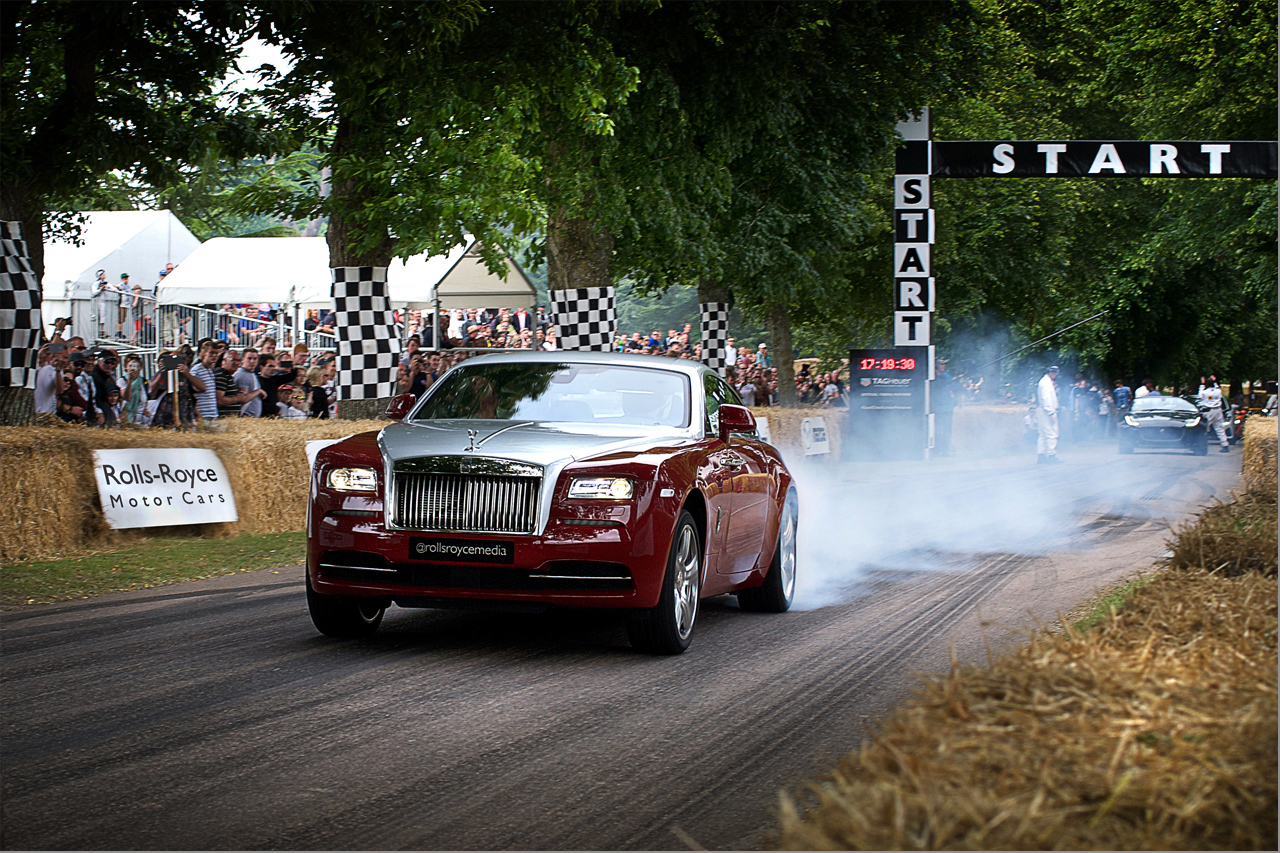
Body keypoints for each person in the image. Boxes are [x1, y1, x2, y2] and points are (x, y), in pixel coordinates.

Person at [1035, 365, 1062, 464]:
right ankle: (1051, 455)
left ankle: (1041, 455)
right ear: (1050, 372)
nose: (1055, 374)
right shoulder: (1045, 383)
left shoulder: (1046, 382)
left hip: (1043, 410)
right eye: (1053, 372)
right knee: (1052, 433)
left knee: (1043, 434)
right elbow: (1046, 399)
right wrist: (1051, 413)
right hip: (1046, 411)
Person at [932, 358, 957, 456]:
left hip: (948, 407)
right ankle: (937, 449)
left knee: (947, 430)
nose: (943, 366)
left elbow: (953, 387)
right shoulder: (932, 377)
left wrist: (957, 381)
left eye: (943, 364)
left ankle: (945, 450)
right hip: (936, 408)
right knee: (937, 430)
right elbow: (936, 386)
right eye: (941, 364)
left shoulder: (947, 376)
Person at [1198, 377, 1230, 452]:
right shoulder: (1218, 391)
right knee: (1220, 428)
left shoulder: (1205, 392)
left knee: (1204, 428)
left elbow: (1200, 396)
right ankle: (1225, 445)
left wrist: (1202, 384)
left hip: (1209, 411)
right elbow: (1217, 387)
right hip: (1218, 410)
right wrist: (1215, 381)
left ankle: (1201, 445)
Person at [234, 348, 268, 417]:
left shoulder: (251, 373)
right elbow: (243, 399)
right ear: (243, 359)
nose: (252, 361)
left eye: (255, 359)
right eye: (249, 358)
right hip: (246, 416)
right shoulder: (242, 375)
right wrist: (258, 391)